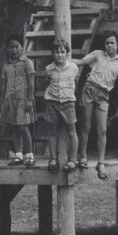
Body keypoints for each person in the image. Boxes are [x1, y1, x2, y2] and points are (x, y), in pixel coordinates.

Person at [76, 31, 118, 179]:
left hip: (103, 95)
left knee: (102, 130)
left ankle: (101, 162)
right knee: (85, 125)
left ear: (117, 45)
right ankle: (82, 157)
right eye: (107, 43)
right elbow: (81, 62)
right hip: (89, 89)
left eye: (112, 43)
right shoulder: (98, 54)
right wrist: (63, 60)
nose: (109, 45)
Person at [0, 35, 36, 167]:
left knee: (22, 126)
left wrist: (30, 99)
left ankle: (30, 155)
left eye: (17, 47)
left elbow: (31, 82)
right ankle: (18, 155)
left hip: (23, 99)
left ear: (22, 48)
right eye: (11, 47)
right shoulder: (6, 65)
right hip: (10, 100)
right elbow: (4, 84)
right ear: (8, 49)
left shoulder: (27, 63)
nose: (14, 50)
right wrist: (3, 102)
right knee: (13, 127)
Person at [44, 38, 80, 171]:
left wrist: (68, 95)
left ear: (67, 53)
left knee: (71, 131)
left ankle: (72, 160)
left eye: (62, 52)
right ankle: (53, 159)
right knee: (52, 131)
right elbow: (48, 81)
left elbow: (75, 82)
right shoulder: (49, 69)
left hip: (68, 103)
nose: (59, 54)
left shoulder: (73, 68)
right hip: (52, 102)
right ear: (52, 53)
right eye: (56, 52)